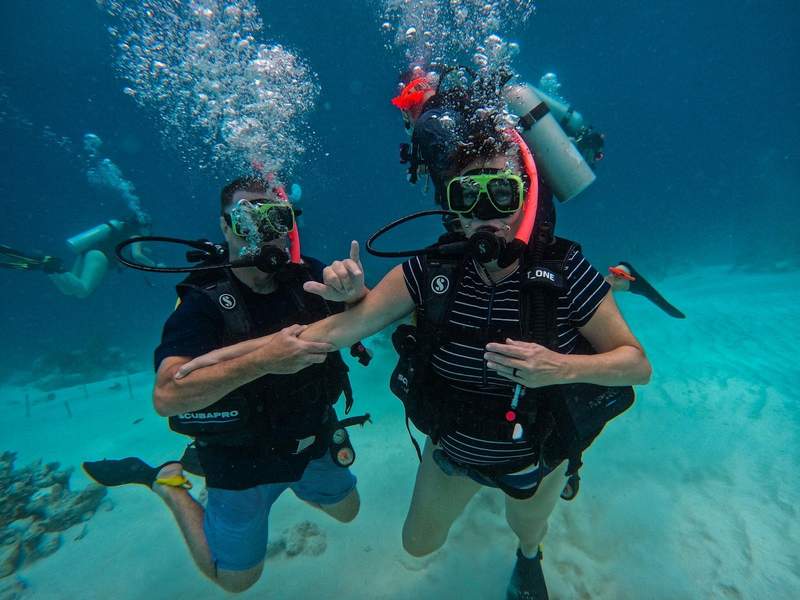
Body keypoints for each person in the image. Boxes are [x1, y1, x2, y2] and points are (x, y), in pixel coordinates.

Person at [175, 110, 652, 598]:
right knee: (418, 544)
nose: (486, 210)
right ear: (453, 208)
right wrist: (240, 354)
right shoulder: (425, 272)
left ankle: (528, 557)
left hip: (537, 454)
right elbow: (338, 328)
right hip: (450, 453)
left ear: (525, 198)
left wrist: (561, 368)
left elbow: (636, 364)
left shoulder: (567, 272)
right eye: (468, 194)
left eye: (501, 192)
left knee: (528, 531)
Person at [83, 176, 369, 593]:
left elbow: (379, 314)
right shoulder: (204, 298)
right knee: (237, 580)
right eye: (248, 219)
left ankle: (290, 485)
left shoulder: (309, 276)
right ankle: (167, 482)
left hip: (311, 440)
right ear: (224, 226)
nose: (265, 232)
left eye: (277, 219)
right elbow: (166, 396)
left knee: (349, 511)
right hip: (240, 462)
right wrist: (261, 362)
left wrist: (357, 295)